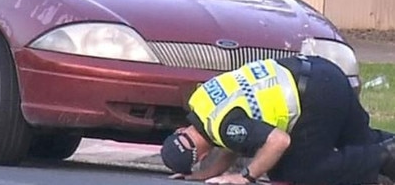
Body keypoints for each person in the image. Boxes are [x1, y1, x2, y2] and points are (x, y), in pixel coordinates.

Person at [160, 54, 395, 184]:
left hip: (315, 97)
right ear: (181, 130)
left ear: (200, 157)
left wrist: (245, 177)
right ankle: (384, 152)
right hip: (319, 71)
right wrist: (205, 175)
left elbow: (278, 141)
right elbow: (235, 142)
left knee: (299, 173)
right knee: (361, 144)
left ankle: (385, 152)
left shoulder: (224, 128)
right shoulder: (200, 101)